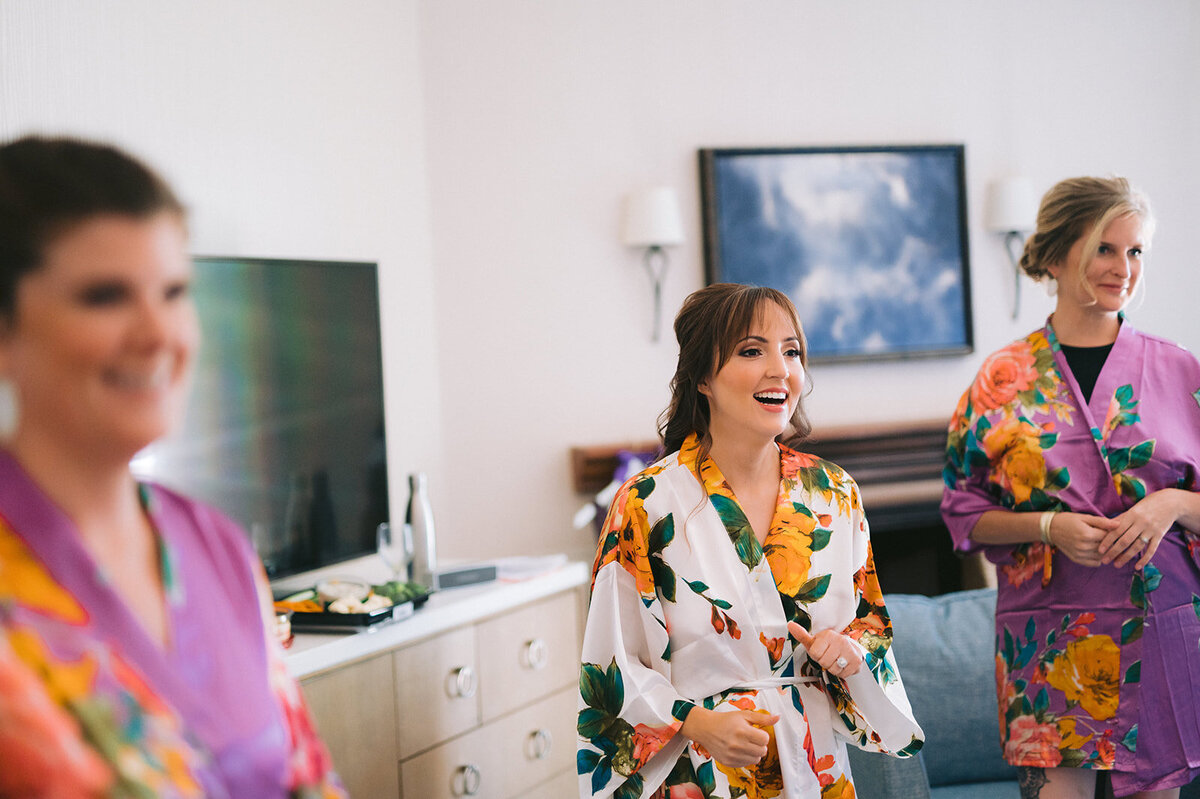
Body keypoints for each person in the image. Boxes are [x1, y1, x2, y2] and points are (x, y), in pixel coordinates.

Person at [0, 135, 345, 798]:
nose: (160, 334)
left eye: (174, 291)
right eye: (105, 295)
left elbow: (308, 779)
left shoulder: (216, 547)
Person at [578, 283, 923, 798]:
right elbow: (611, 663)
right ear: (702, 379)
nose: (779, 369)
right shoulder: (647, 502)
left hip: (816, 767)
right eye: (751, 350)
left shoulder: (834, 494)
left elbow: (870, 625)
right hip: (701, 772)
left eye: (792, 351)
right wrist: (696, 723)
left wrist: (846, 651)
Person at [942, 176, 1200, 799]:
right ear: (1057, 255)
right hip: (1050, 637)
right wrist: (1047, 526)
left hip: (1161, 625)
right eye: (1104, 249)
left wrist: (1170, 504)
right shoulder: (1001, 380)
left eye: (1135, 251)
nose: (1123, 268)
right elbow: (962, 510)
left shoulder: (1179, 369)